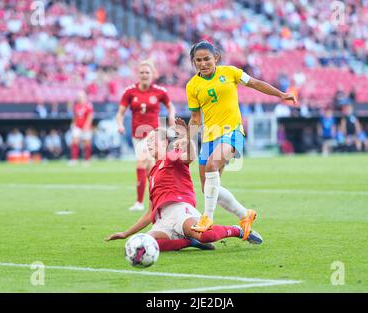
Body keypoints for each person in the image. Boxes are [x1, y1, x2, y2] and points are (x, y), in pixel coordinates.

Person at [185, 40, 297, 238]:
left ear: (216, 58)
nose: (203, 63)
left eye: (207, 59)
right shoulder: (192, 86)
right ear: (194, 62)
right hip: (209, 137)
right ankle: (245, 215)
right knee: (208, 188)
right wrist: (186, 140)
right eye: (198, 60)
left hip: (232, 131)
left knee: (212, 167)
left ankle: (207, 217)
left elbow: (255, 83)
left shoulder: (230, 72)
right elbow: (195, 118)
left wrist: (281, 94)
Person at [106, 125, 262, 251]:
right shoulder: (152, 173)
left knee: (205, 236)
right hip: (162, 220)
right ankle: (189, 242)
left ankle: (237, 230)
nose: (148, 142)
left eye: (153, 139)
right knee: (144, 245)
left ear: (165, 143)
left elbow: (190, 157)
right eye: (147, 140)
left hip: (180, 210)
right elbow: (149, 213)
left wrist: (187, 139)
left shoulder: (171, 157)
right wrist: (126, 233)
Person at [116, 60, 176, 212]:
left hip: (154, 133)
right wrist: (120, 124)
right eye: (142, 72)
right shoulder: (130, 92)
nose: (144, 75)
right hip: (137, 134)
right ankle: (158, 200)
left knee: (141, 163)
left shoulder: (160, 91)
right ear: (138, 74)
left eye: (147, 72)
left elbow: (170, 107)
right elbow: (120, 112)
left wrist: (171, 118)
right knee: (151, 169)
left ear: (152, 74)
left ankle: (138, 203)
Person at [69, 90, 94, 165]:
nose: (80, 98)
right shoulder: (76, 106)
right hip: (77, 126)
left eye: (81, 97)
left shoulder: (88, 105)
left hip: (86, 127)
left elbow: (90, 117)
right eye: (79, 97)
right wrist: (73, 124)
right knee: (75, 142)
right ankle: (74, 159)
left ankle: (87, 159)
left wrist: (86, 125)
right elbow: (75, 116)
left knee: (86, 143)